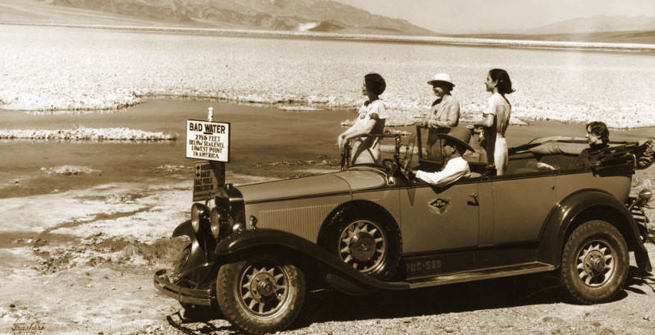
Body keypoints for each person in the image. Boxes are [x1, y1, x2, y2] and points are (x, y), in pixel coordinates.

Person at [337, 73, 388, 165]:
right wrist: (342, 135)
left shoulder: (378, 105)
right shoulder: (366, 105)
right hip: (359, 147)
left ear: (371, 87)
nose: (362, 87)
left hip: (370, 151)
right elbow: (357, 126)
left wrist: (348, 137)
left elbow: (367, 129)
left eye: (365, 85)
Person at [474, 68, 514, 176]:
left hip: (494, 145)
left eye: (488, 79)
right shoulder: (506, 102)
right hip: (503, 144)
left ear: (495, 82)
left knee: (493, 180)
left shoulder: (493, 99)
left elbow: (489, 122)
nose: (485, 82)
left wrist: (476, 123)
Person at [416, 73, 460, 164]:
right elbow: (429, 118)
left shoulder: (453, 103)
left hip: (445, 143)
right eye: (434, 86)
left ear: (446, 87)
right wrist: (423, 122)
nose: (434, 88)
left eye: (437, 86)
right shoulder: (436, 103)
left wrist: (430, 123)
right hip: (433, 143)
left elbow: (451, 123)